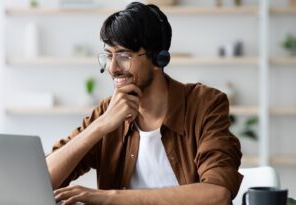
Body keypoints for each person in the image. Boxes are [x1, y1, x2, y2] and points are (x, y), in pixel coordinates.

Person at [46, 2, 243, 205]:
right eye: (108, 55)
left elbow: (217, 194)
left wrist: (108, 197)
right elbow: (43, 180)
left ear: (159, 59)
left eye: (123, 56)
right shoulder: (108, 111)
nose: (113, 68)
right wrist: (100, 126)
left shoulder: (204, 104)